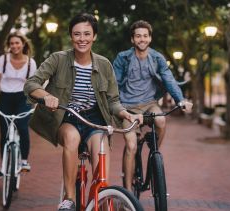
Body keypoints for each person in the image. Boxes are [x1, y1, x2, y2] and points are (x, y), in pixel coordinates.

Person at [24, 13, 142, 211]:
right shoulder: (58, 59)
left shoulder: (104, 64)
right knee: (71, 138)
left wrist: (124, 113)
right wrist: (46, 96)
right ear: (71, 36)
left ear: (94, 36)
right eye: (77, 34)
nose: (82, 39)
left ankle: (101, 197)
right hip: (68, 117)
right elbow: (31, 84)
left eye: (87, 34)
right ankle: (69, 198)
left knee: (100, 154)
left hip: (95, 120)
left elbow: (113, 101)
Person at [112, 20, 193, 192]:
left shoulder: (157, 58)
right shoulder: (123, 58)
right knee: (131, 146)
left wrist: (181, 100)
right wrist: (116, 108)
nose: (142, 39)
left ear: (150, 38)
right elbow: (114, 85)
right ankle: (128, 193)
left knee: (162, 120)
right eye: (138, 36)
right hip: (128, 107)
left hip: (150, 104)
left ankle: (154, 155)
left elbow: (169, 80)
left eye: (145, 36)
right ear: (133, 40)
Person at [0, 31, 37, 172]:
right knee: (5, 132)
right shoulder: (3, 59)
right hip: (5, 98)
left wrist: (36, 102)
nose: (14, 46)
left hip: (23, 99)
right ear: (9, 45)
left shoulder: (31, 62)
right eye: (11, 43)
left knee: (23, 127)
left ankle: (24, 161)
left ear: (23, 44)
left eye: (17, 43)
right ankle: (4, 164)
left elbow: (34, 85)